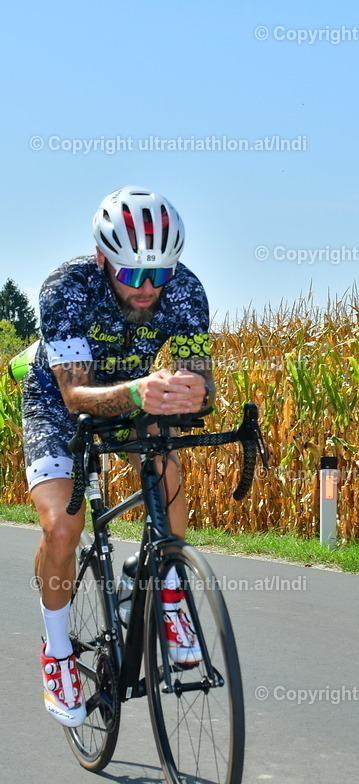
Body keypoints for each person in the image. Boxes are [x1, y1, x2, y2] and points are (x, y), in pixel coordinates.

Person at [22, 185, 215, 727]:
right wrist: (140, 392)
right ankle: (57, 650)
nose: (148, 288)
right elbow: (75, 396)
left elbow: (200, 374)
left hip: (137, 391)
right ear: (104, 260)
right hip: (62, 401)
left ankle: (169, 593)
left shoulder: (186, 290)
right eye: (132, 275)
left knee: (164, 460)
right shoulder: (68, 288)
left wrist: (194, 391)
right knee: (62, 529)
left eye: (160, 274)